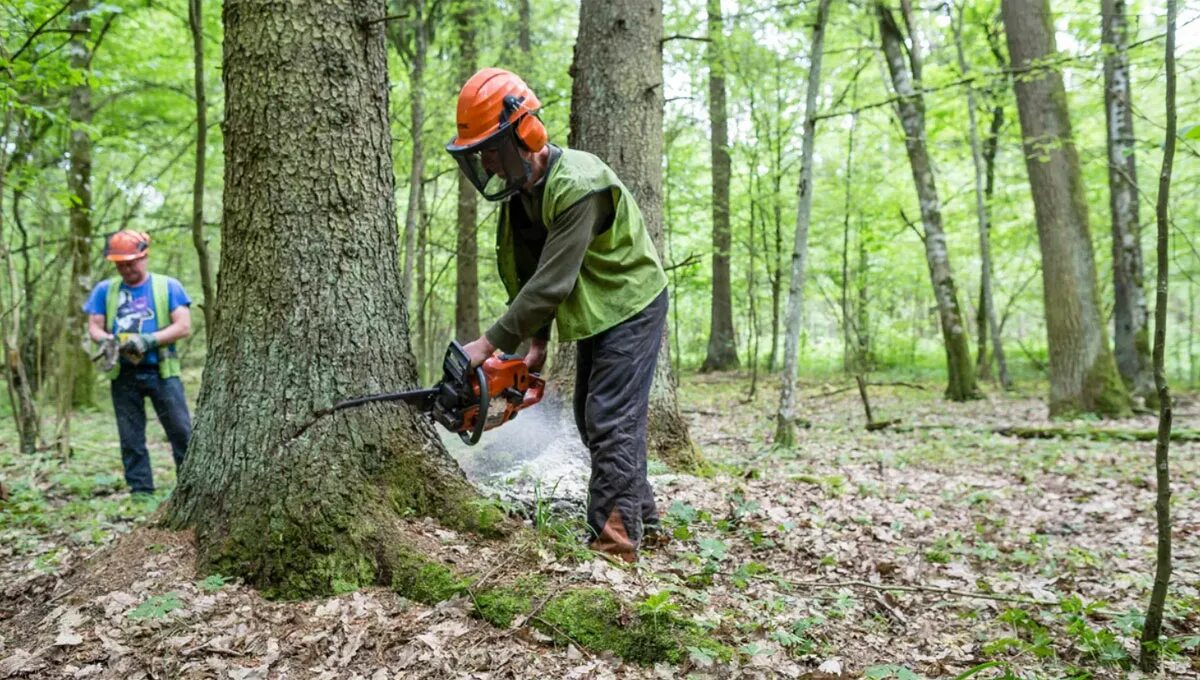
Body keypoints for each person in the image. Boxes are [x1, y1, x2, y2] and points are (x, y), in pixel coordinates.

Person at [446, 68, 670, 563]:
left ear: (524, 135)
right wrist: (537, 344)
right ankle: (645, 518)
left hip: (630, 303)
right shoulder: (522, 196)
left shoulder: (577, 186)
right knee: (593, 420)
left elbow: (552, 284)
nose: (485, 161)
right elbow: (531, 273)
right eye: (477, 153)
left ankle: (615, 545)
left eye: (490, 148)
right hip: (598, 307)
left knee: (610, 419)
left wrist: (486, 345)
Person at [84, 230, 193, 498]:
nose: (126, 269)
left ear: (144, 257)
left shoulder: (168, 286)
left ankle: (191, 488)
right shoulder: (105, 290)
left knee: (181, 431)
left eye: (130, 263)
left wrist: (149, 340)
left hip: (162, 371)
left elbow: (183, 326)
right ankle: (141, 492)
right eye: (120, 264)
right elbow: (94, 327)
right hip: (124, 373)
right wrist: (107, 341)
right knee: (130, 436)